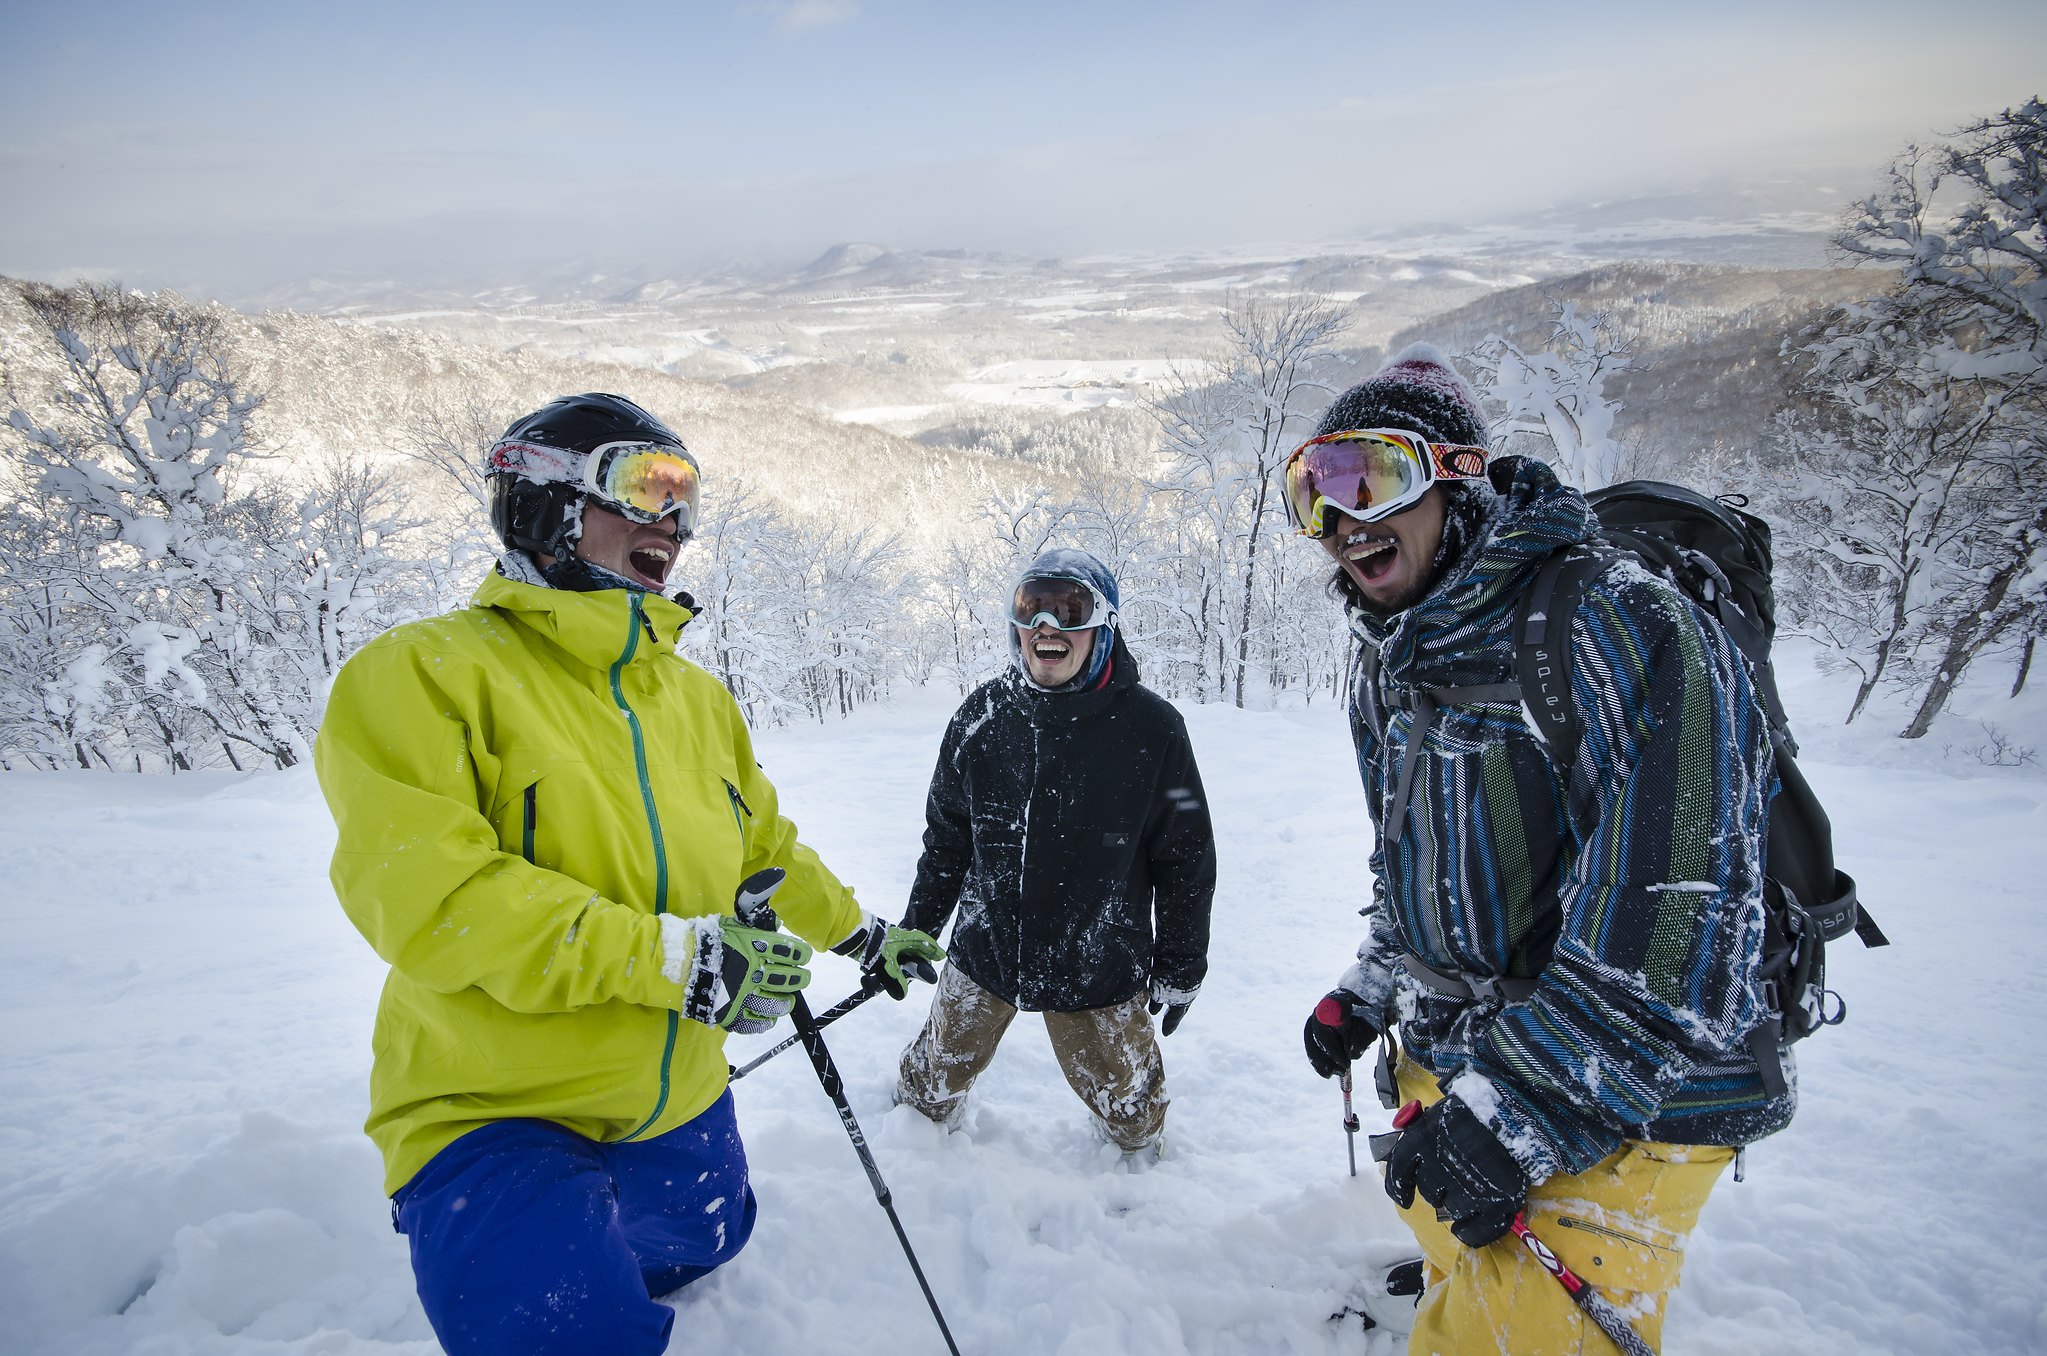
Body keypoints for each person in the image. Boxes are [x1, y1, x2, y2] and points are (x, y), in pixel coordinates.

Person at [314, 392, 943, 1356]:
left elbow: (764, 850)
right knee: (573, 1333)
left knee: (711, 1239)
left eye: (684, 499)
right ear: (542, 504)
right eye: (643, 488)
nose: (672, 525)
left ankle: (588, 1231)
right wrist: (673, 958)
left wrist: (859, 935)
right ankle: (497, 1236)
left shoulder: (692, 698)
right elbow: (432, 898)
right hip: (497, 1109)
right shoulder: (424, 675)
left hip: (674, 1089)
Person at [1287, 348, 1783, 1352]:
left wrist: (1518, 1109)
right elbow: (1415, 864)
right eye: (1312, 490)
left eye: (1370, 474)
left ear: (1458, 476)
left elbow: (1676, 916)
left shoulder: (1614, 620)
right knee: (1449, 1241)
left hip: (1629, 1092)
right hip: (1462, 1060)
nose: (1341, 518)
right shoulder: (1390, 658)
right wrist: (1376, 982)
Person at [893, 548, 1216, 1161]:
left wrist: (1181, 964)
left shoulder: (1152, 729)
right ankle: (913, 1151)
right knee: (930, 1084)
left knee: (1134, 1119)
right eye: (1031, 607)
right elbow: (948, 839)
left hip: (1097, 959)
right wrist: (919, 927)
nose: (1048, 626)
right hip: (987, 947)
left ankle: (1144, 1185)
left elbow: (1185, 860)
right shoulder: (981, 718)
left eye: (1071, 609)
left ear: (1104, 626)